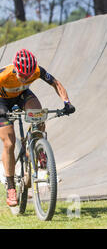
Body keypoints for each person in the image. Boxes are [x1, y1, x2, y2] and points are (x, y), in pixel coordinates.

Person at [0, 49, 75, 207]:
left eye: (29, 76)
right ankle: (11, 186)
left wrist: (67, 102)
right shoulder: (4, 75)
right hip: (2, 101)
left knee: (39, 115)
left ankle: (37, 148)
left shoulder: (37, 71)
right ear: (16, 69)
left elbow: (56, 83)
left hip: (22, 95)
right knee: (9, 142)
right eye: (23, 76)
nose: (26, 78)